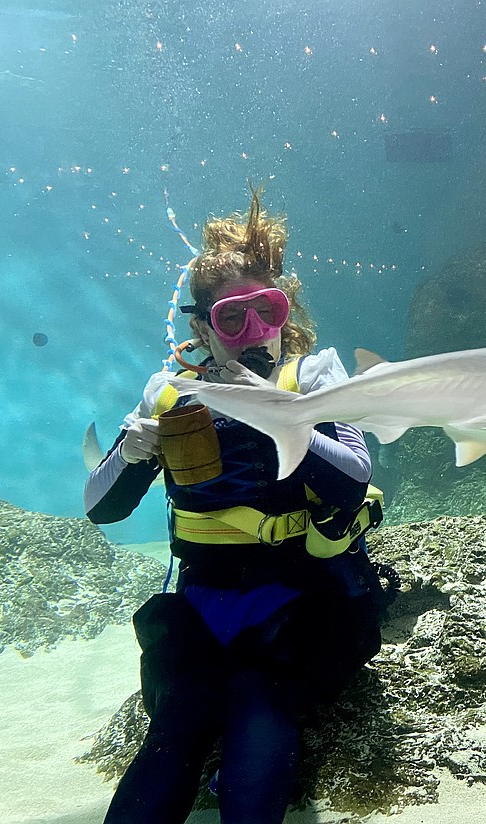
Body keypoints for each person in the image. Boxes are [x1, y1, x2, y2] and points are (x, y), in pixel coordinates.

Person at [84, 186, 386, 824]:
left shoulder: (310, 378)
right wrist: (135, 448)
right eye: (230, 319)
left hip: (299, 599)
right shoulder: (168, 394)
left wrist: (272, 415)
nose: (255, 333)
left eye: (267, 311)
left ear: (284, 314)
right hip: (203, 603)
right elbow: (101, 508)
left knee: (259, 698)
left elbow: (354, 477)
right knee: (181, 716)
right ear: (200, 327)